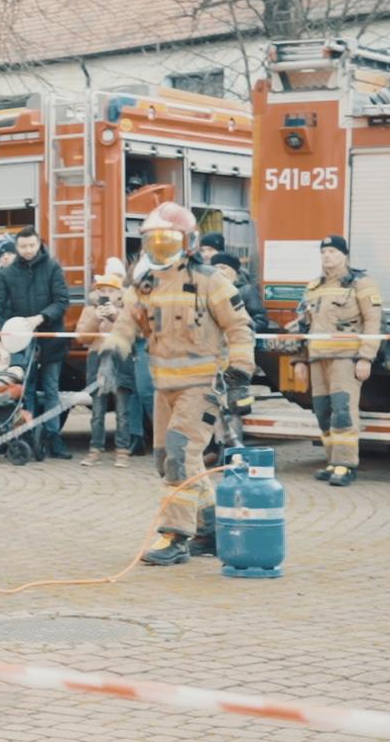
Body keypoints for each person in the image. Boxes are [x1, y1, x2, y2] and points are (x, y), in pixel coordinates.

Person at [98, 202, 254, 566]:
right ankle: (210, 529)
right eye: (154, 241)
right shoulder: (145, 282)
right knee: (168, 459)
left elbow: (239, 327)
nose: (160, 248)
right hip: (163, 387)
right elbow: (126, 323)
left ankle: (175, 537)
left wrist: (240, 373)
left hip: (201, 387)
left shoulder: (210, 280)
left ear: (188, 242)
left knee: (180, 458)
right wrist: (111, 353)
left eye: (168, 241)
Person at [290, 235, 381, 487]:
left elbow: (373, 323)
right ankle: (332, 461)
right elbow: (303, 324)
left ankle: (346, 464)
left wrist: (366, 357)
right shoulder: (313, 287)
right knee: (322, 411)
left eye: (332, 251)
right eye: (324, 251)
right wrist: (299, 360)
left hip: (346, 358)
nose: (327, 256)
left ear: (344, 255)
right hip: (318, 357)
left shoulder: (361, 283)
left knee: (343, 411)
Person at [0, 226, 72, 459]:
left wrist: (41, 318)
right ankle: (25, 434)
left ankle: (53, 438)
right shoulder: (6, 274)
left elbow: (62, 301)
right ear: (17, 247)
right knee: (23, 390)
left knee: (51, 390)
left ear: (39, 244)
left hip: (50, 340)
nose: (28, 250)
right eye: (23, 246)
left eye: (32, 245)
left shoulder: (53, 268)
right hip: (18, 343)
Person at [76, 262, 132, 468]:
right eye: (102, 290)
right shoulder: (89, 310)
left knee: (122, 410)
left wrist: (115, 316)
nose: (106, 294)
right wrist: (94, 319)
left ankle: (123, 451)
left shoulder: (127, 310)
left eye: (111, 290)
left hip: (120, 358)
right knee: (97, 411)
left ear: (119, 293)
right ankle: (95, 449)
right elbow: (82, 338)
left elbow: (132, 331)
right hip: (96, 360)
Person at [209, 253, 269, 337]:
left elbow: (260, 321)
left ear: (235, 272)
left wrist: (240, 333)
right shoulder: (208, 292)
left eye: (223, 268)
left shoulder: (246, 291)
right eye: (215, 268)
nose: (219, 271)